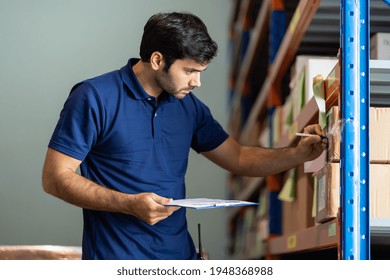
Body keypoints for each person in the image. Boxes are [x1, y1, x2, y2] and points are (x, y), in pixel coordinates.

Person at [42, 11, 327, 260]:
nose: (197, 82)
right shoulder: (95, 97)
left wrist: (299, 153)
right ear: (157, 60)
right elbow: (55, 178)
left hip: (180, 259)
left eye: (200, 71)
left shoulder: (188, 107)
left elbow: (239, 157)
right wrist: (128, 204)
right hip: (117, 261)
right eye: (189, 70)